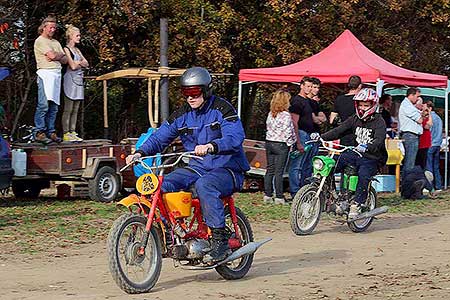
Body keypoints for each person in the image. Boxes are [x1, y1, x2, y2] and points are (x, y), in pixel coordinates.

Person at [126, 67, 250, 264]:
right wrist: (140, 152)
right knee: (161, 184)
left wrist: (212, 146)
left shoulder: (222, 109)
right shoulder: (182, 115)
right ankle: (171, 230)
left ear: (206, 90)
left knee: (205, 185)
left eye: (194, 93)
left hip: (227, 167)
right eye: (186, 93)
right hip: (198, 167)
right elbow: (160, 137)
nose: (190, 98)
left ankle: (220, 242)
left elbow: (235, 137)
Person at [311, 88, 387, 218]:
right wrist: (321, 137)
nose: (363, 108)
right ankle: (332, 195)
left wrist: (367, 146)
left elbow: (379, 141)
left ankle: (357, 203)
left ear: (373, 105)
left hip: (372, 157)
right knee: (331, 162)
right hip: (355, 154)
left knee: (364, 174)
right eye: (361, 105)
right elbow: (339, 130)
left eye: (366, 105)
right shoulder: (354, 119)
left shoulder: (379, 121)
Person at [33, 16, 67, 144]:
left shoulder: (56, 42)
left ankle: (51, 131)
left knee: (54, 106)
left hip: (56, 75)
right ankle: (39, 131)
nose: (53, 30)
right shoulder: (40, 41)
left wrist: (56, 56)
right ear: (44, 27)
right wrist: (57, 55)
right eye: (50, 27)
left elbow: (64, 59)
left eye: (54, 27)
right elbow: (55, 56)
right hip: (45, 74)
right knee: (43, 104)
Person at [263, 90, 296, 205]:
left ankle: (267, 194)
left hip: (269, 142)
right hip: (281, 144)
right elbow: (288, 131)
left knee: (270, 169)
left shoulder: (271, 113)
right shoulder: (286, 115)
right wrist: (291, 143)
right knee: (279, 171)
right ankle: (279, 196)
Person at [288, 77, 314, 196]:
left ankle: (304, 189)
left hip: (309, 134)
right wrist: (298, 141)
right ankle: (294, 191)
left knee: (306, 164)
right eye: (307, 86)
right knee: (297, 165)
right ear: (301, 86)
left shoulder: (307, 101)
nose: (309, 88)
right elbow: (294, 122)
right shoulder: (297, 101)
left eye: (310, 86)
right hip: (301, 134)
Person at [62, 24, 89, 142]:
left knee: (76, 107)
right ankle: (66, 132)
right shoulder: (66, 49)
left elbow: (86, 63)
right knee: (69, 108)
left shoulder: (77, 50)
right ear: (71, 36)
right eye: (77, 35)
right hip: (70, 80)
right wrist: (79, 63)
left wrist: (78, 62)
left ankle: (73, 131)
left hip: (79, 80)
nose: (79, 37)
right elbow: (72, 65)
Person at [329, 75, 362, 146]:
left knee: (344, 155)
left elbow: (332, 120)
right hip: (359, 134)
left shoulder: (339, 99)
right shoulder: (361, 101)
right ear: (359, 86)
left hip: (344, 133)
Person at [398, 87, 423, 172]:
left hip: (411, 135)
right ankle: (407, 184)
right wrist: (423, 112)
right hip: (410, 135)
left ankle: (407, 182)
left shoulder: (409, 106)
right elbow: (420, 119)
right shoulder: (407, 106)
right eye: (417, 96)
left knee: (410, 162)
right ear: (411, 95)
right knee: (410, 163)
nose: (418, 99)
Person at [426, 101, 443, 191]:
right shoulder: (439, 118)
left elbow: (429, 131)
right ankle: (438, 186)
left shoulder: (430, 118)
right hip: (437, 144)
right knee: (436, 166)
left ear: (430, 108)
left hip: (430, 144)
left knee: (429, 166)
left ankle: (430, 186)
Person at [415, 98, 432, 169]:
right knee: (421, 164)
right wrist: (429, 113)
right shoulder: (422, 117)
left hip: (424, 143)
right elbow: (427, 126)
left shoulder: (425, 117)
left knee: (422, 163)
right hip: (422, 143)